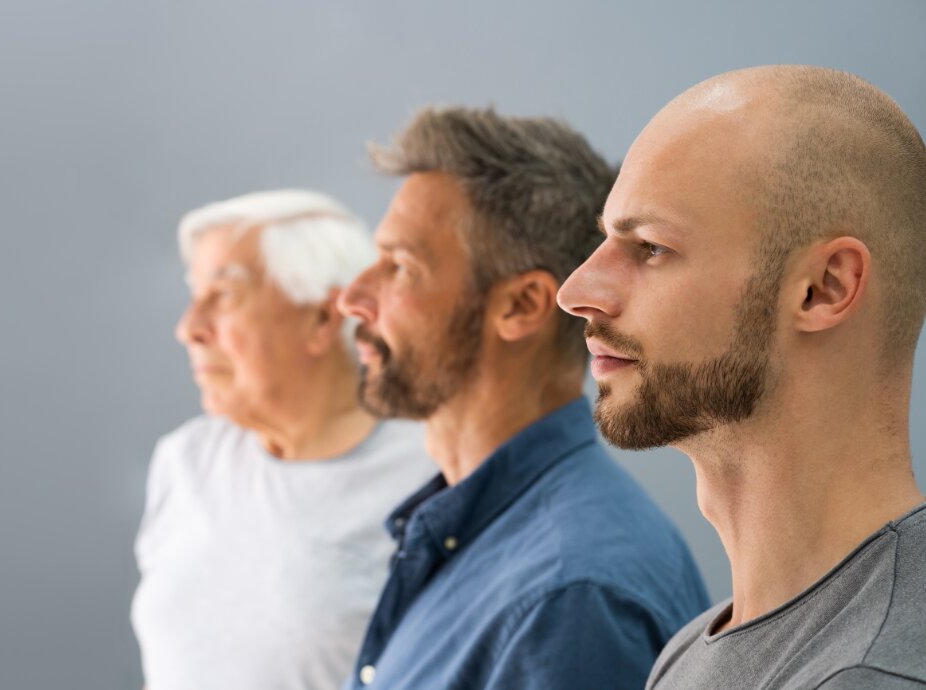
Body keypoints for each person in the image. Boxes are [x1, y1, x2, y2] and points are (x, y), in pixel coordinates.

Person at [558, 65, 926, 690]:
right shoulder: (690, 652)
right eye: (604, 242)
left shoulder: (875, 672)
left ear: (822, 288)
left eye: (649, 246)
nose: (576, 292)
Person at [336, 107, 710, 690]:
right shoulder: (479, 539)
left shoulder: (571, 600)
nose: (354, 298)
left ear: (521, 306)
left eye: (399, 266)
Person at [131, 190, 435, 690]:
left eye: (224, 296)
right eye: (194, 295)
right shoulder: (186, 462)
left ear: (322, 318)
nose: (189, 328)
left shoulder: (432, 477)